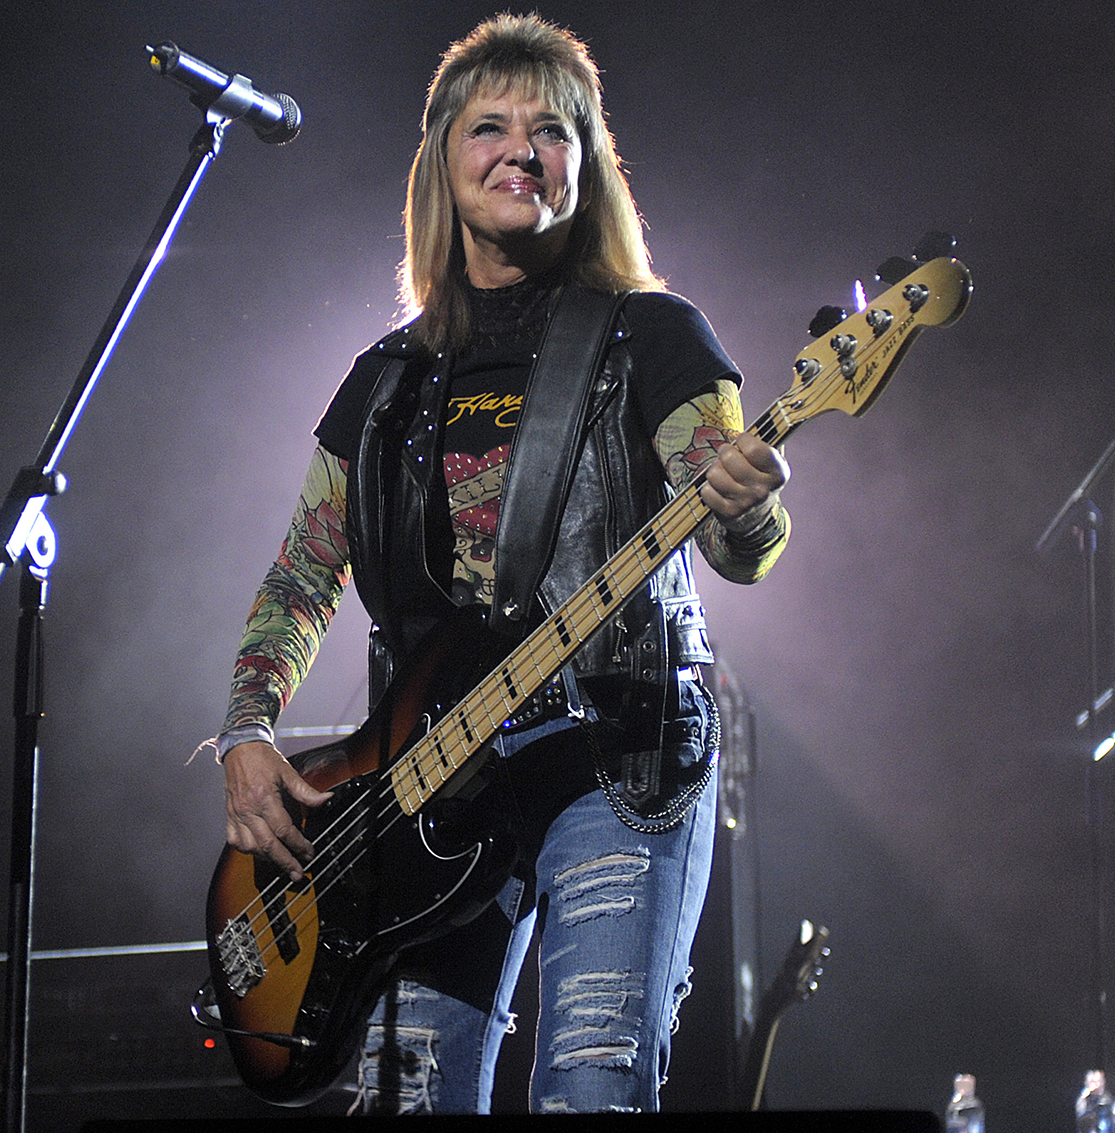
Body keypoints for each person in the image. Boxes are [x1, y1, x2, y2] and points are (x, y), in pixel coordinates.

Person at [213, 13, 791, 1115]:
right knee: (412, 1097)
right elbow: (302, 575)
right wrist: (245, 732)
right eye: (490, 126)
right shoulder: (382, 381)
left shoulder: (654, 336)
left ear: (587, 166)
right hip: (429, 788)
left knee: (588, 1083)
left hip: (612, 754)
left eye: (553, 130)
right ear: (441, 161)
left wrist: (748, 507)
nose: (521, 149)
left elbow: (735, 544)